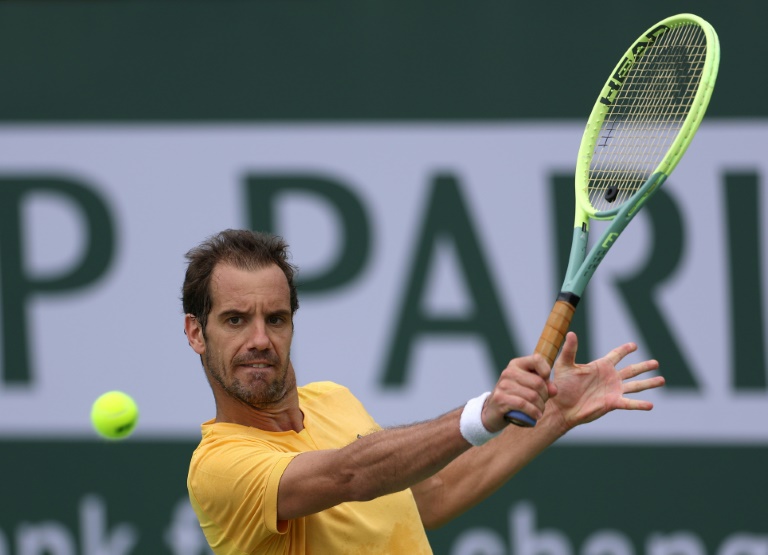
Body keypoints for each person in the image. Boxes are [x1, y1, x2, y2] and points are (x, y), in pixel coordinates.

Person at [182, 229, 665, 555]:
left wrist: (556, 412)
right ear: (196, 333)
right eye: (235, 320)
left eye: (276, 318)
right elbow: (350, 474)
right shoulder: (218, 467)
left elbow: (432, 496)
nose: (260, 340)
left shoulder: (331, 399)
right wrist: (485, 410)